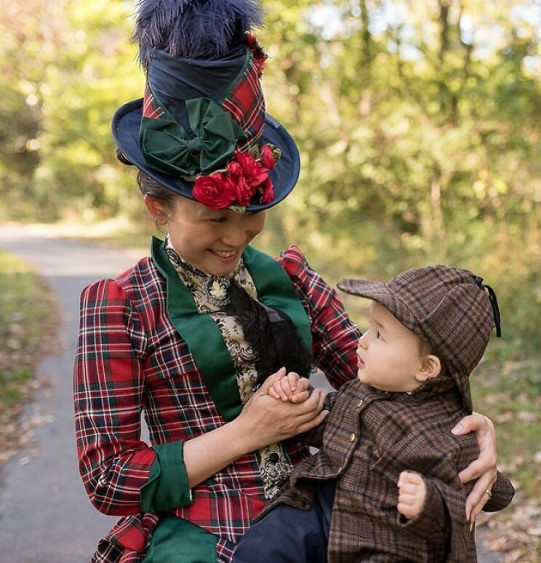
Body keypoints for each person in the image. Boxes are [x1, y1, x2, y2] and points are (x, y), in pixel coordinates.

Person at [73, 1, 503, 561]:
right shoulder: (122, 306)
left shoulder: (292, 281)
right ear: (158, 208)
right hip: (204, 532)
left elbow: (394, 381)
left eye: (253, 212)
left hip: (332, 517)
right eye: (214, 218)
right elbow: (109, 477)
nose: (236, 236)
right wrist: (247, 433)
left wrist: (475, 431)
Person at [233, 265, 514, 562]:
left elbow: (492, 495)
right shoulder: (361, 391)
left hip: (381, 537)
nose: (363, 340)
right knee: (267, 542)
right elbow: (324, 419)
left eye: (380, 335)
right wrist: (296, 399)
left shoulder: (449, 432)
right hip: (320, 508)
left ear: (426, 368)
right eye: (369, 326)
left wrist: (428, 501)